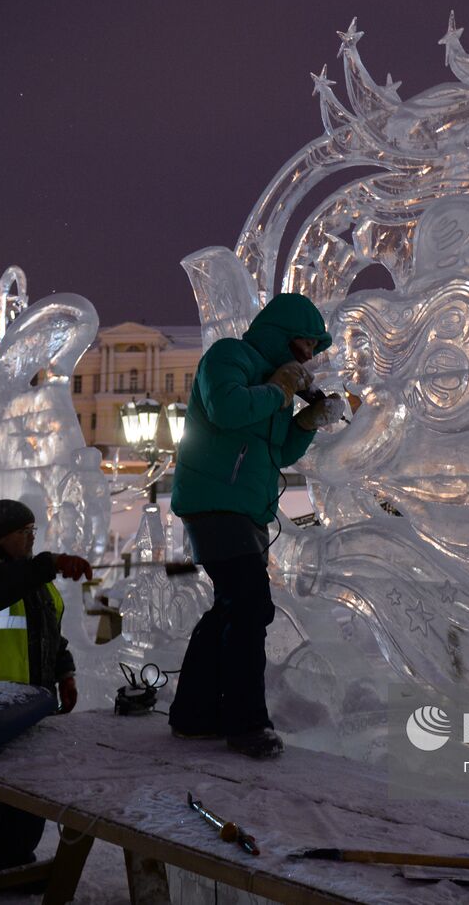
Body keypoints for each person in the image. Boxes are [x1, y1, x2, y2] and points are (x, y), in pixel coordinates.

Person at [168, 292, 342, 759]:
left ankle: (193, 714)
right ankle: (245, 723)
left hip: (247, 508)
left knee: (231, 606)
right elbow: (227, 410)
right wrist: (280, 390)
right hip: (213, 500)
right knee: (248, 605)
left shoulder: (274, 382)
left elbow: (277, 453)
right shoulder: (230, 355)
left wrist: (304, 422)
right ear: (287, 337)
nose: (310, 357)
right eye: (307, 345)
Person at [0, 498, 94, 876]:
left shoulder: (29, 578)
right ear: (1, 538)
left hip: (30, 702)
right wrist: (48, 563)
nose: (30, 539)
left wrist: (65, 673)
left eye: (33, 533)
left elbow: (49, 634)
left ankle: (15, 864)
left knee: (29, 788)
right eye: (23, 533)